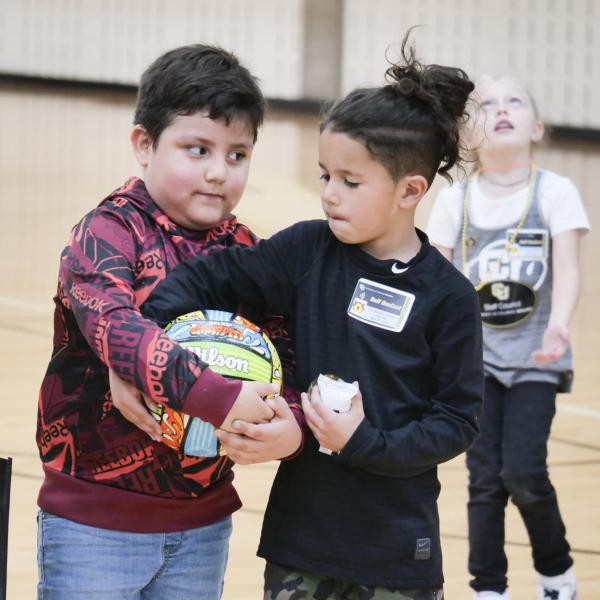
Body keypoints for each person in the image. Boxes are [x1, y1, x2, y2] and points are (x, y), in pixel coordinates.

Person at [140, 36, 484, 599]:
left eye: (350, 182)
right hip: (302, 543)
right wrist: (148, 343)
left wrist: (363, 443)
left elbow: (456, 420)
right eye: (325, 175)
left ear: (409, 190)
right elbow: (210, 278)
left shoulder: (448, 297)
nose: (329, 194)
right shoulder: (306, 251)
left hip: (397, 551)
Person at [35, 44, 302, 600]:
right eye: (197, 148)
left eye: (237, 155)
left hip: (203, 524)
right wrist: (220, 397)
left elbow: (287, 347)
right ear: (144, 143)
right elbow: (115, 325)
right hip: (94, 523)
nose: (217, 172)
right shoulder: (107, 231)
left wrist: (288, 423)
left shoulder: (246, 248)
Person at [426, 76, 590, 600]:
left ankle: (557, 575)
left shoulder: (556, 193)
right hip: (476, 365)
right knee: (484, 481)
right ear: (468, 135)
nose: (500, 109)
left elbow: (567, 270)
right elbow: (439, 281)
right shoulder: (455, 199)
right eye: (487, 105)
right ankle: (489, 589)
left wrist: (560, 322)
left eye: (514, 101)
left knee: (523, 472)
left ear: (536, 127)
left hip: (536, 359)